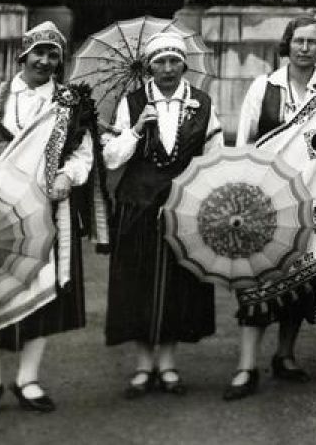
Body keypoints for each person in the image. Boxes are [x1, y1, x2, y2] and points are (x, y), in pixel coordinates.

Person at [0, 22, 101, 420]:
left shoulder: (70, 103)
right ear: (23, 55)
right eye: (40, 53)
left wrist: (69, 176)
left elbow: (83, 154)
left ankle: (28, 379)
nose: (46, 61)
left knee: (41, 296)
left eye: (54, 55)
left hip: (46, 216)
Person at [223, 16, 316, 400]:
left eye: (312, 42)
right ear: (287, 44)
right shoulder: (265, 87)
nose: (305, 48)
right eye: (299, 41)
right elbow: (245, 142)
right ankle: (246, 367)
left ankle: (285, 355)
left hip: (311, 197)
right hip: (266, 200)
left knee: (298, 277)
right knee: (258, 280)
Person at [103, 31, 222, 398]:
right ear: (149, 66)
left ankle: (168, 365)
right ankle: (143, 366)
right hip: (138, 205)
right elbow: (111, 158)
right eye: (160, 62)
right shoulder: (132, 103)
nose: (168, 69)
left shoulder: (202, 104)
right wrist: (138, 129)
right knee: (137, 282)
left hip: (182, 206)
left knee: (179, 284)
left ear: (184, 64)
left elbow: (214, 157)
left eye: (174, 61)